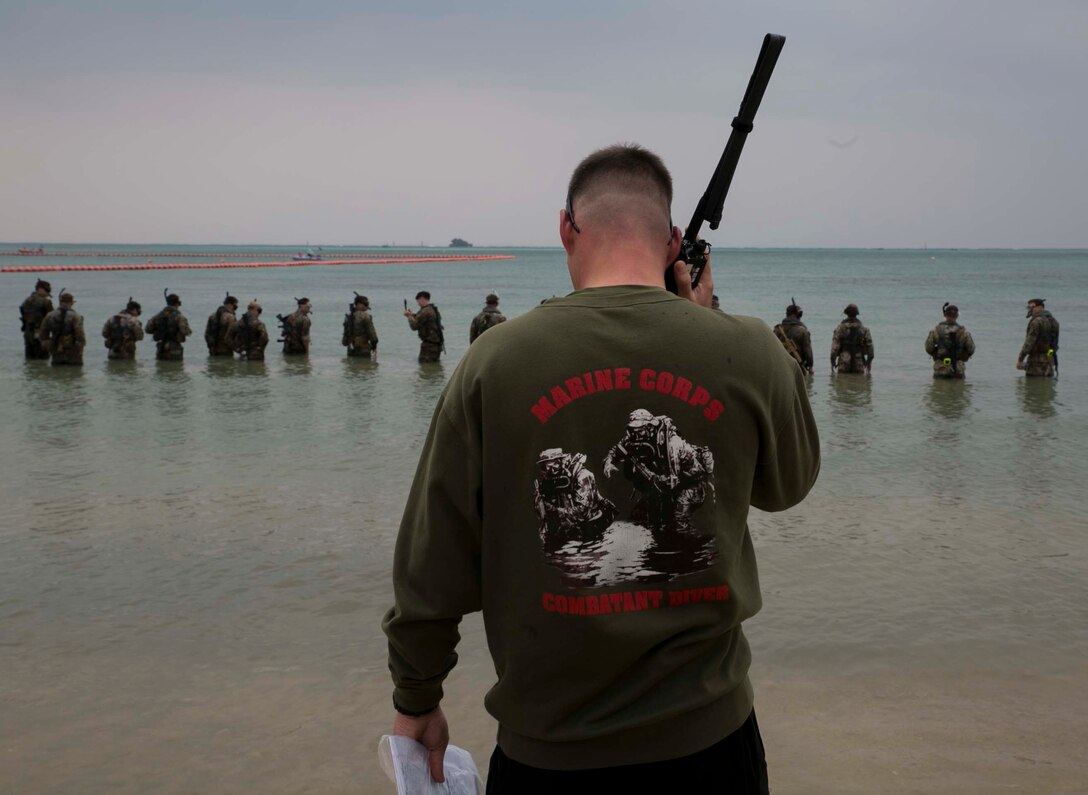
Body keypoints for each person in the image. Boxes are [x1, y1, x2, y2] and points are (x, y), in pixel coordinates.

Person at [383, 143, 820, 792]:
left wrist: (417, 696)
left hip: (549, 750)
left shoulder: (493, 361)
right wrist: (712, 321)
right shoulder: (749, 348)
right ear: (675, 242)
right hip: (711, 741)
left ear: (565, 227)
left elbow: (433, 558)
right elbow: (790, 483)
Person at [925, 303, 975, 378]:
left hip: (940, 369)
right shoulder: (964, 332)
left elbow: (928, 348)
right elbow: (971, 349)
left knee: (938, 389)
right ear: (957, 316)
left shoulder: (936, 330)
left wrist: (937, 352)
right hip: (958, 370)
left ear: (945, 315)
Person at [38, 290, 85, 366]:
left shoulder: (49, 316)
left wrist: (49, 346)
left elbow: (43, 335)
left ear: (60, 302)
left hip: (56, 350)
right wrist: (80, 351)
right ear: (72, 303)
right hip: (72, 352)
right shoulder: (76, 316)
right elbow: (80, 336)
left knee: (57, 374)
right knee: (75, 375)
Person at [1017, 298, 1059, 377]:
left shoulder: (1036, 322)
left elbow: (1029, 343)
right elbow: (1054, 344)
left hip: (1035, 363)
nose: (1031, 309)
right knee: (1047, 387)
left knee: (1032, 388)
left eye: (1033, 306)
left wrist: (1020, 360)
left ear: (1041, 307)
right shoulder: (1054, 321)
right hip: (1049, 363)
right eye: (1030, 307)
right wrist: (1049, 357)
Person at [144, 293, 192, 361]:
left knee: (161, 369)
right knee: (175, 369)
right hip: (174, 348)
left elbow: (147, 329)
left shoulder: (157, 317)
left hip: (161, 348)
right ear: (177, 303)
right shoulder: (179, 317)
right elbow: (186, 332)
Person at [830, 303, 873, 374]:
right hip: (859, 363)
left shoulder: (840, 329)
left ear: (847, 314)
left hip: (843, 363)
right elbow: (871, 350)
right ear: (857, 314)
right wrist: (868, 362)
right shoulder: (864, 329)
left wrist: (832, 361)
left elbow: (834, 348)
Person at [773, 299, 814, 375]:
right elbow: (808, 351)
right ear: (796, 315)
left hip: (781, 367)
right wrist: (810, 366)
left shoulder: (777, 329)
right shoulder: (802, 331)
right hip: (798, 368)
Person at [403, 290, 444, 362]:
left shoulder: (425, 311)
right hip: (436, 345)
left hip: (429, 346)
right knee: (432, 369)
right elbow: (426, 320)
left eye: (418, 301)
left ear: (422, 299)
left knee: (425, 368)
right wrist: (413, 315)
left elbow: (414, 326)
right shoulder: (433, 309)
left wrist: (409, 316)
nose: (418, 303)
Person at [19, 279, 54, 359]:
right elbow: (52, 318)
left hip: (28, 333)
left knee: (30, 358)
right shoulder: (46, 302)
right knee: (42, 358)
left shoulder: (26, 301)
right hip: (40, 333)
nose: (47, 294)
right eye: (47, 291)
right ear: (40, 289)